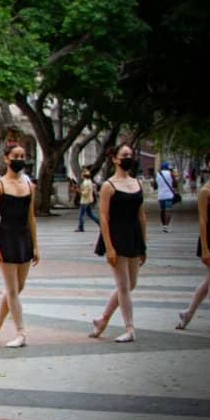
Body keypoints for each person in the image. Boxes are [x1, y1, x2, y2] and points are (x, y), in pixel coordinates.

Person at [88, 143, 147, 343]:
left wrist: (144, 245)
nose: (128, 158)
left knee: (131, 284)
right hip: (116, 236)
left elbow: (141, 215)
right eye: (124, 155)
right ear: (114, 159)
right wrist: (109, 246)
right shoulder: (108, 186)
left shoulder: (137, 183)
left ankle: (102, 319)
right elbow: (103, 218)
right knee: (123, 285)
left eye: (130, 154)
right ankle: (129, 327)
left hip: (134, 236)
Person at [0, 143, 39, 348]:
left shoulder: (29, 185)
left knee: (18, 287)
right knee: (12, 289)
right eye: (16, 155)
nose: (20, 159)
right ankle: (20, 332)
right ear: (6, 158)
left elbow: (31, 217)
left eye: (23, 155)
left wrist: (35, 246)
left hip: (24, 238)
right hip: (6, 237)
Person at [176, 149, 210, 334]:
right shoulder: (205, 191)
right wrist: (205, 248)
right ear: (207, 166)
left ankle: (188, 313)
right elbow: (203, 220)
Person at [155, 160, 178, 232]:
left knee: (162, 211)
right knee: (168, 210)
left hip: (160, 196)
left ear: (161, 167)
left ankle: (163, 225)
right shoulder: (171, 174)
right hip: (169, 195)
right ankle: (166, 226)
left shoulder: (157, 174)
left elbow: (154, 186)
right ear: (167, 167)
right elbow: (175, 184)